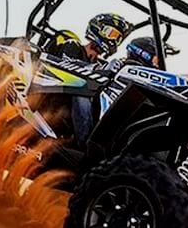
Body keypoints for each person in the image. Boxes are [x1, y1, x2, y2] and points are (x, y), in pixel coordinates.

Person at [46, 12, 128, 143]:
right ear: (97, 28)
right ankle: (86, 144)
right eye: (110, 33)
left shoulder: (99, 64)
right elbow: (64, 65)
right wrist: (98, 70)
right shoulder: (73, 45)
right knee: (83, 89)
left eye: (117, 38)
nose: (112, 40)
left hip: (72, 111)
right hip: (54, 94)